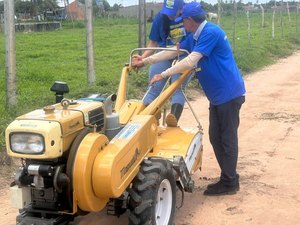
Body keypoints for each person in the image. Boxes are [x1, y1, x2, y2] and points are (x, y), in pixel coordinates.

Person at [132, 2, 246, 196]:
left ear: (190, 21)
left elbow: (190, 60)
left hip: (228, 94)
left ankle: (230, 182)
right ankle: (228, 176)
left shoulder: (210, 32)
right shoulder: (194, 35)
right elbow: (173, 52)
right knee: (216, 137)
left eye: (183, 21)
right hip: (218, 96)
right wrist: (145, 61)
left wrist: (163, 74)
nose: (181, 24)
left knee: (226, 138)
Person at [135, 0, 191, 127]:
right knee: (153, 86)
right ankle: (149, 116)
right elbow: (153, 43)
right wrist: (142, 58)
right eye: (167, 12)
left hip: (183, 55)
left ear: (181, 9)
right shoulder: (160, 18)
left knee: (177, 88)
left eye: (173, 12)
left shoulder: (188, 18)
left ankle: (173, 120)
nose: (169, 15)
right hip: (164, 54)